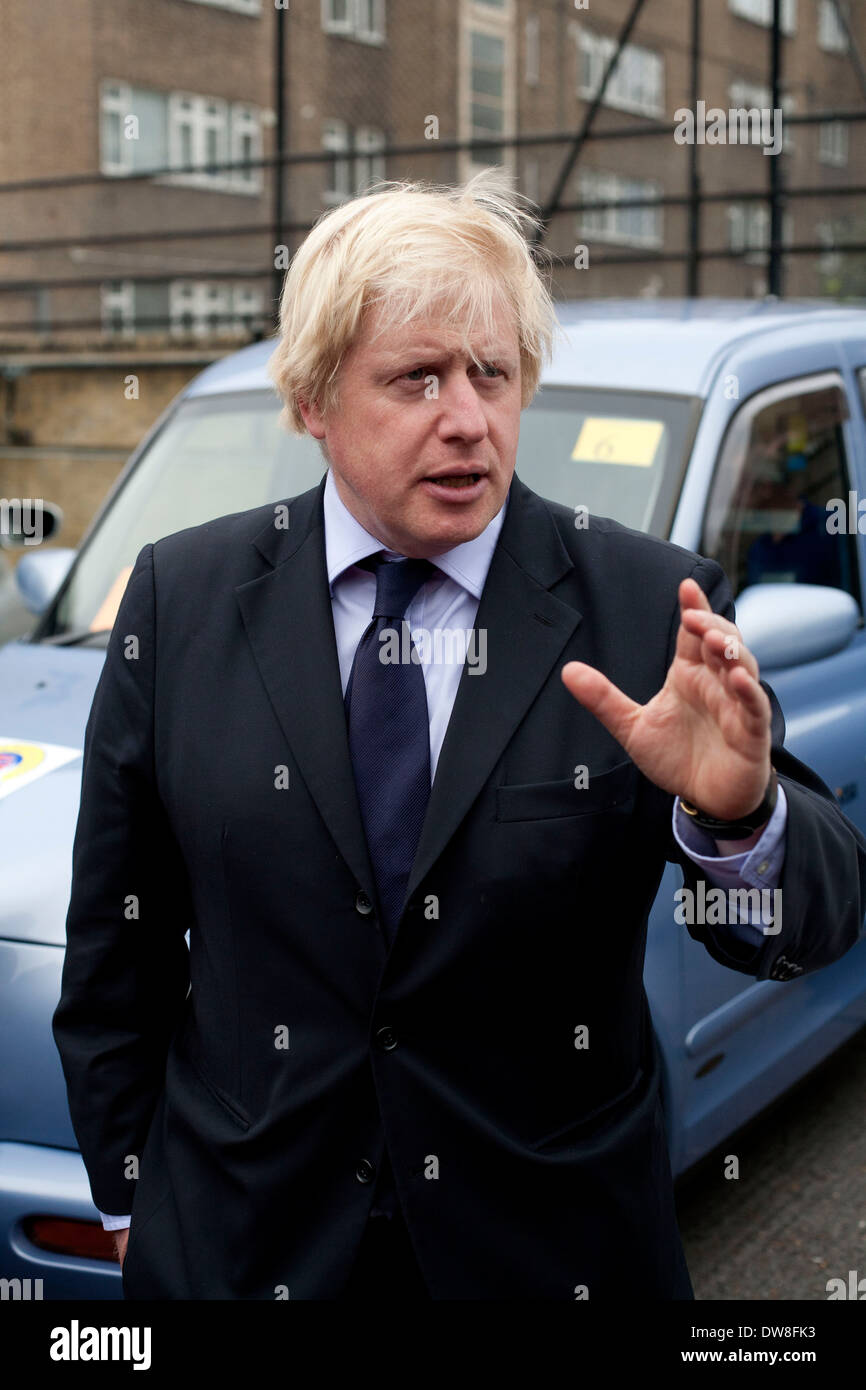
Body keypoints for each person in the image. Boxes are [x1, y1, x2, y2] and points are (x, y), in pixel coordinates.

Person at [53, 169, 866, 1300]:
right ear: (311, 398)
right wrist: (133, 1197)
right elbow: (116, 953)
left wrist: (738, 815)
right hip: (244, 1250)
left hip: (547, 1252)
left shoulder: (644, 609)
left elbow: (809, 923)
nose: (467, 419)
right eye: (416, 378)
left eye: (491, 373)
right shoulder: (181, 600)